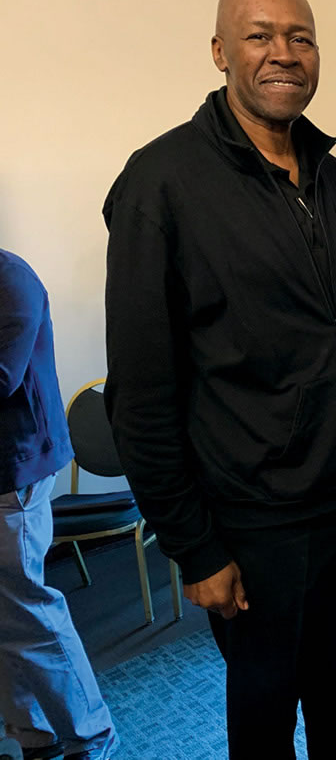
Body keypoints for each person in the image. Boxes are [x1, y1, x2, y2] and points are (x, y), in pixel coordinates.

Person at [102, 0, 336, 758]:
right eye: (260, 36)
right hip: (250, 527)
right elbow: (140, 394)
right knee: (265, 729)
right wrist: (194, 545)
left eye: (300, 36)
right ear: (222, 52)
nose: (283, 53)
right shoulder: (161, 184)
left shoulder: (328, 173)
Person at [0, 250, 119, 760]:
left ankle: (91, 739)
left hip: (15, 470)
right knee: (5, 616)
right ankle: (33, 738)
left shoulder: (11, 279)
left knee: (29, 612)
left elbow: (1, 377)